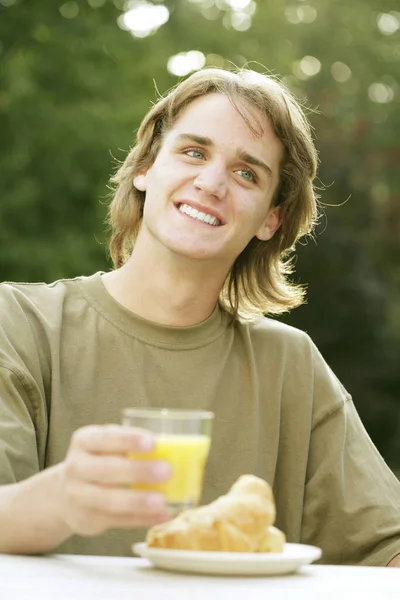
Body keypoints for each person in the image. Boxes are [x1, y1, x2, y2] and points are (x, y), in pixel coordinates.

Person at [0, 67, 399, 566]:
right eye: (194, 152)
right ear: (146, 166)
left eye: (247, 173)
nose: (211, 183)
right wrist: (62, 498)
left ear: (270, 219)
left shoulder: (289, 365)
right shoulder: (17, 324)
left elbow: (384, 548)